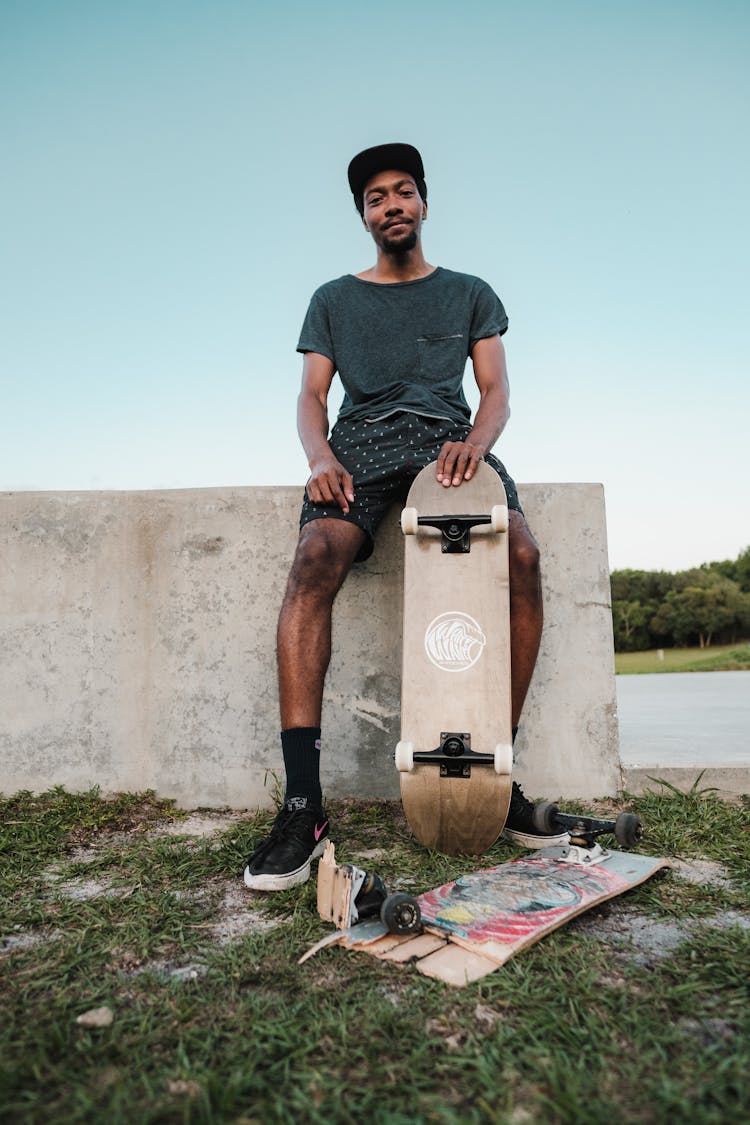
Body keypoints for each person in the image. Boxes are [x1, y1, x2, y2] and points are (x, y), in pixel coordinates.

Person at [244, 143, 566, 892]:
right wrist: (321, 457)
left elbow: (495, 391)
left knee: (521, 557)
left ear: (424, 203)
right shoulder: (332, 298)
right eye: (375, 199)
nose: (390, 205)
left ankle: (496, 774)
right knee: (314, 557)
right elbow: (309, 397)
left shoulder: (471, 293)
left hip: (447, 441)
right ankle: (303, 805)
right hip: (360, 445)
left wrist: (475, 448)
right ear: (364, 217)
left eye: (402, 192)